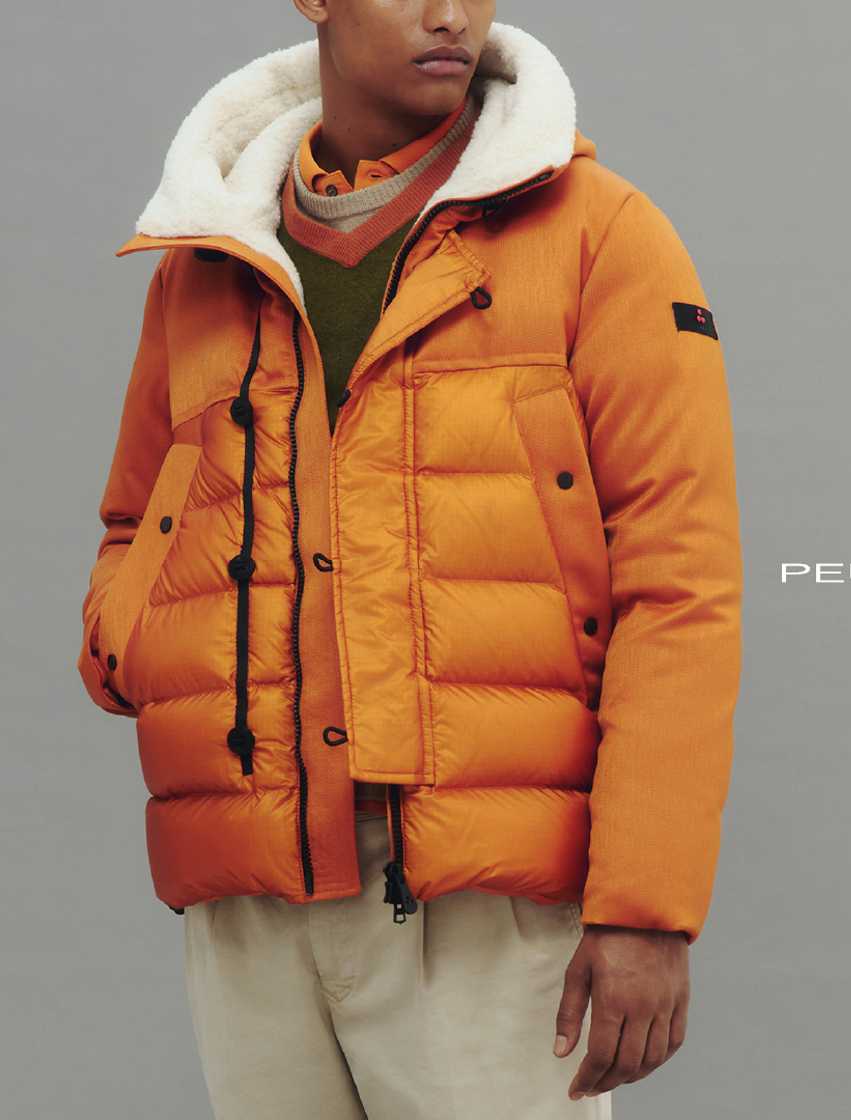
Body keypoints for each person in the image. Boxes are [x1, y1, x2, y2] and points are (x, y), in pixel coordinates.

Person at [75, 3, 743, 1117]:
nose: (450, 15)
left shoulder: (600, 236)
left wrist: (645, 905)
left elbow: (681, 588)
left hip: (483, 897)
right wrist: (132, 637)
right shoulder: (208, 262)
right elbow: (138, 518)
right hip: (252, 889)